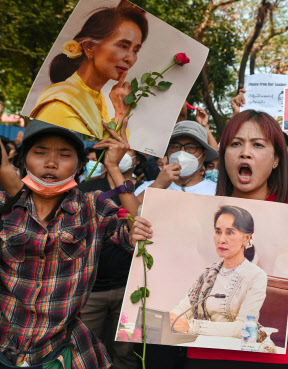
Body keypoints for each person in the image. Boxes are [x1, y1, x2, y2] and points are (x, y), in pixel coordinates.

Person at [131, 105, 288, 368]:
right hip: (204, 356)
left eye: (258, 145)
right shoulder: (196, 212)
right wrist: (144, 240)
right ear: (224, 156)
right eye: (236, 144)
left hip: (277, 357)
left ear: (276, 159)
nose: (245, 152)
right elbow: (173, 297)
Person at [0, 119, 142, 368]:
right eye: (40, 152)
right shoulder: (5, 206)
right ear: (23, 161)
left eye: (64, 155)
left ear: (79, 165)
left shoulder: (92, 206)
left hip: (64, 352)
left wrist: (113, 166)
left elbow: (137, 231)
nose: (51, 163)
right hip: (6, 347)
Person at [30, 0, 148, 139]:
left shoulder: (97, 98)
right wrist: (121, 114)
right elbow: (100, 153)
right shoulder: (61, 104)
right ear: (89, 46)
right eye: (123, 46)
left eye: (135, 50)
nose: (130, 58)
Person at [77, 148, 142, 369]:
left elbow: (136, 219)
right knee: (84, 353)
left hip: (129, 292)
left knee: (126, 352)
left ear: (138, 159)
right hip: (92, 293)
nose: (121, 153)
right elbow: (108, 204)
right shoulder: (88, 188)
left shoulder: (137, 188)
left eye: (127, 150)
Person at [169, 205, 268, 338]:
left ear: (246, 238)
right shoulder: (209, 273)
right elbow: (185, 308)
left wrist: (192, 327)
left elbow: (243, 328)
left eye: (229, 232)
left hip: (236, 349)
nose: (221, 240)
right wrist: (172, 318)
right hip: (201, 343)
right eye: (218, 232)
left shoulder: (256, 276)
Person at [134, 120, 218, 201]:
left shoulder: (217, 192)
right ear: (167, 152)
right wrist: (157, 185)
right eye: (175, 146)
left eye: (191, 147)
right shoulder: (147, 187)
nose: (182, 152)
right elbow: (129, 213)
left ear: (204, 154)